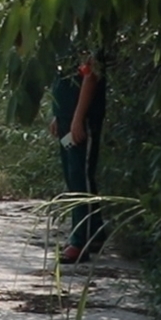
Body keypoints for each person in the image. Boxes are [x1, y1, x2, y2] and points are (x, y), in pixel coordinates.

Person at [48, 50, 107, 262]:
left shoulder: (88, 38)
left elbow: (90, 76)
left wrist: (78, 118)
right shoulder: (68, 38)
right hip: (66, 118)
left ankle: (80, 241)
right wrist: (58, 114)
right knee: (73, 176)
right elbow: (65, 79)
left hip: (82, 121)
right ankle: (96, 232)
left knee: (80, 176)